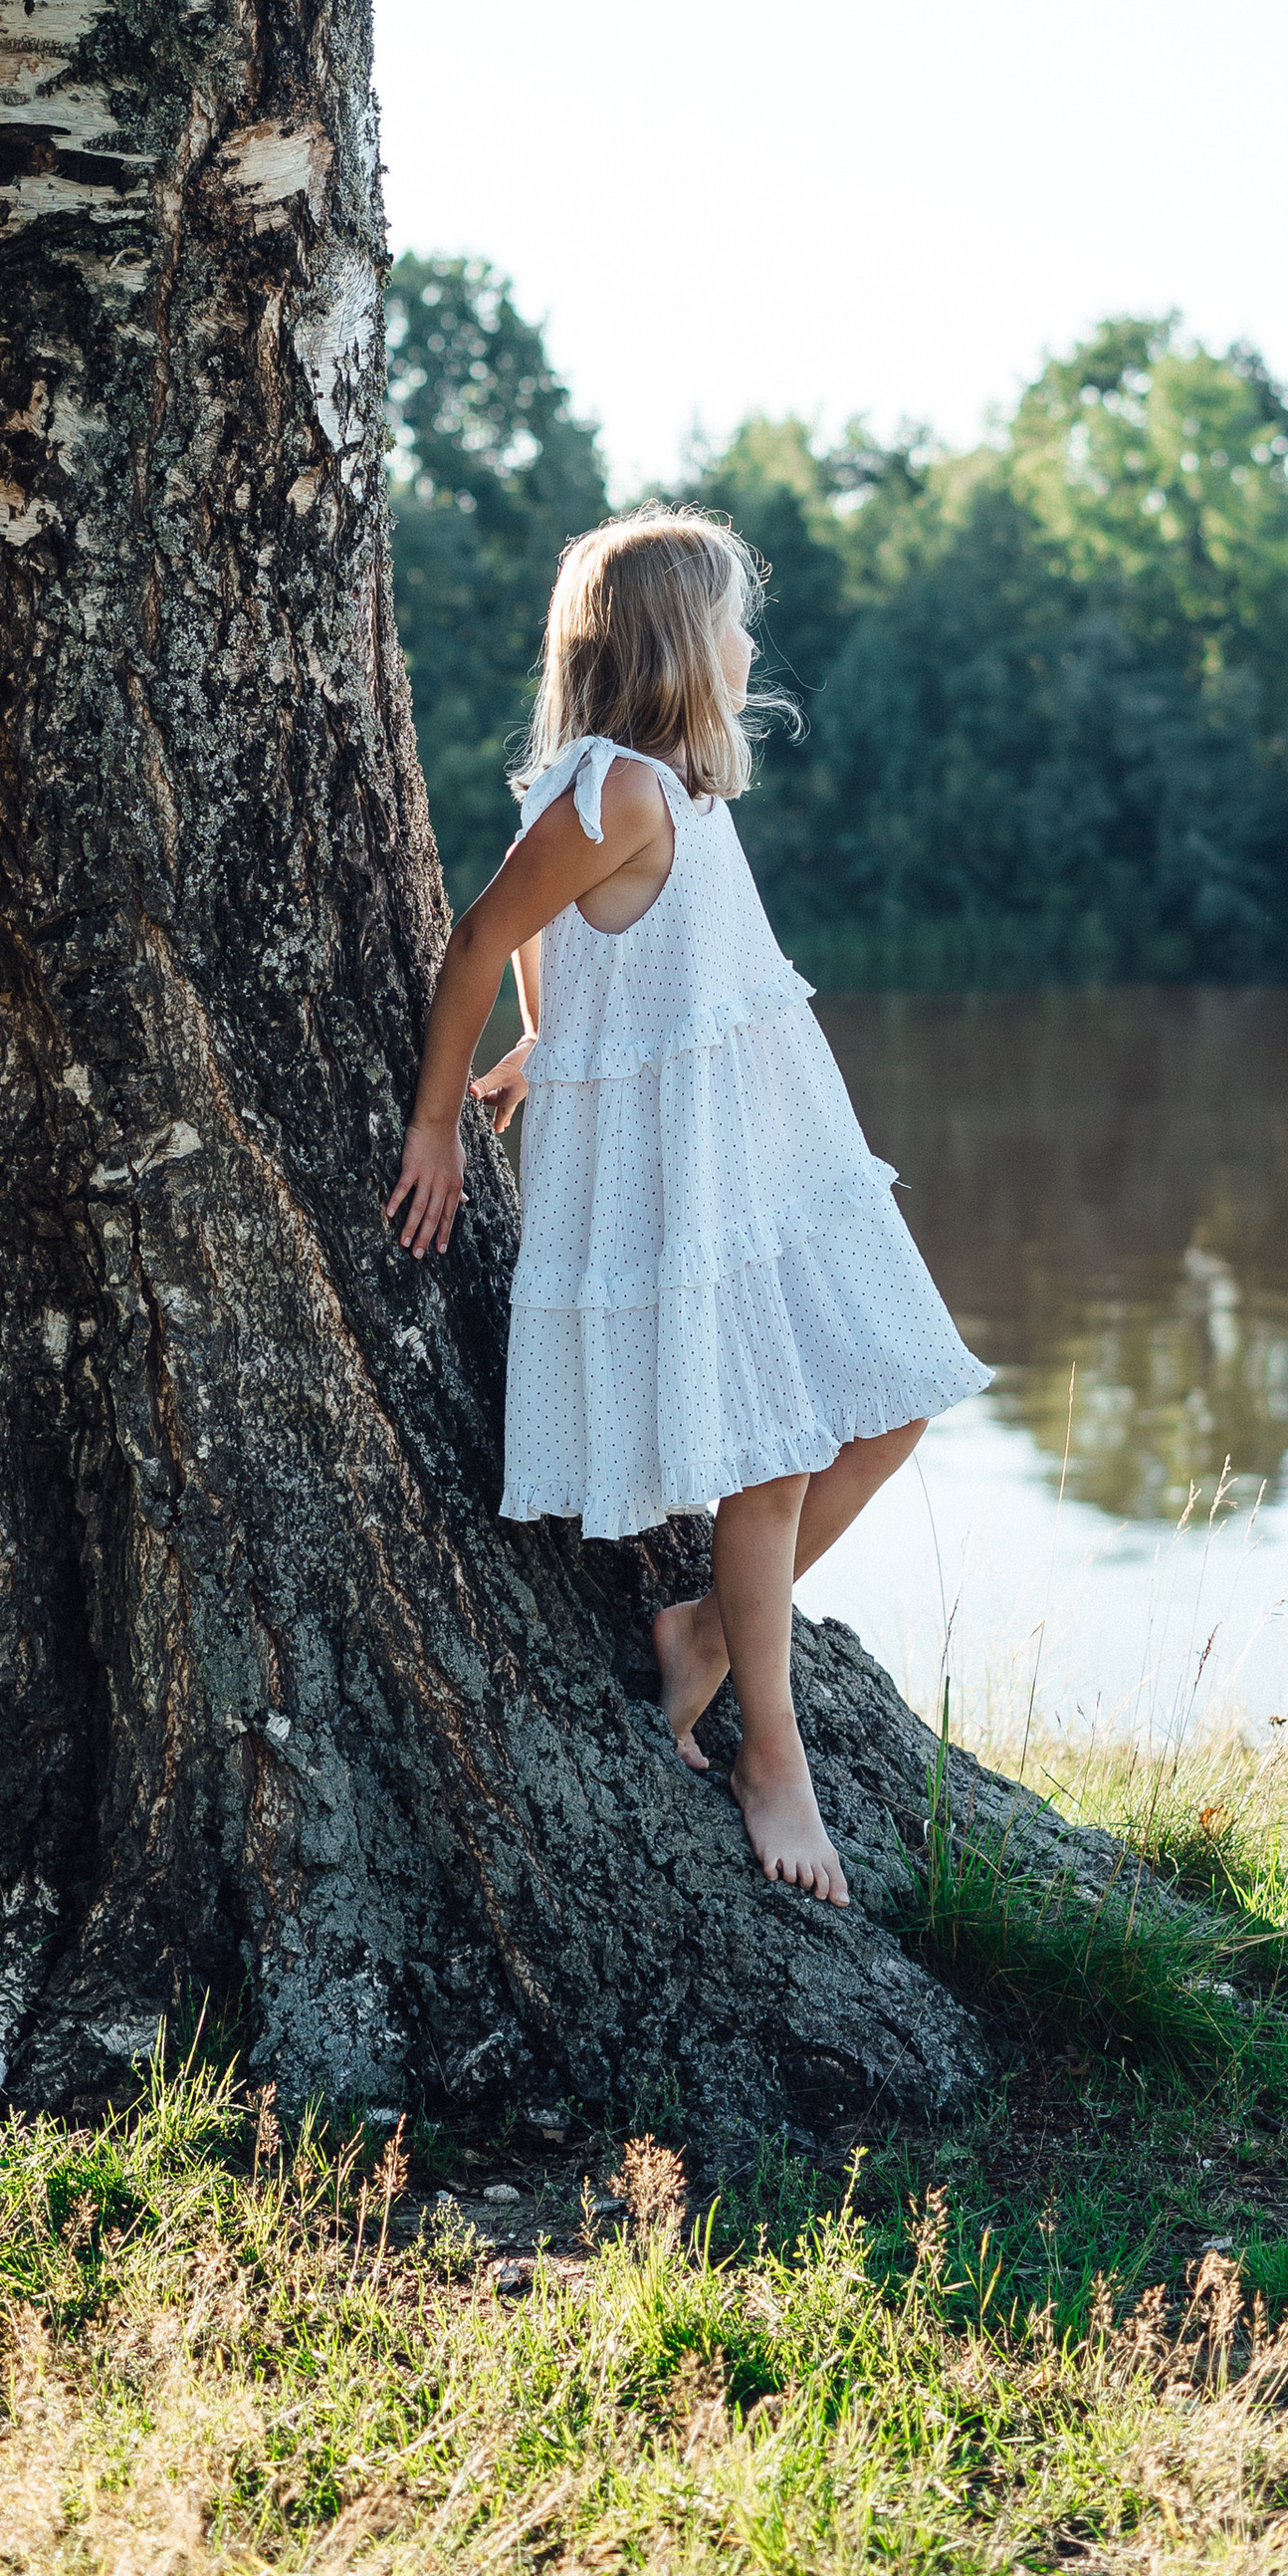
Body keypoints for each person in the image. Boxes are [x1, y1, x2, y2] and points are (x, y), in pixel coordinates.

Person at [384, 505, 991, 1906]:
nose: (750, 640)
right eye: (733, 616)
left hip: (759, 1147)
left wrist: (561, 1031)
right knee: (769, 1458)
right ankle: (770, 1755)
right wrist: (443, 1112)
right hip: (678, 1170)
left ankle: (707, 1638)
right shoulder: (617, 790)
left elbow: (574, 939)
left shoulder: (674, 788)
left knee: (889, 1399)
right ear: (676, 643)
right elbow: (487, 928)